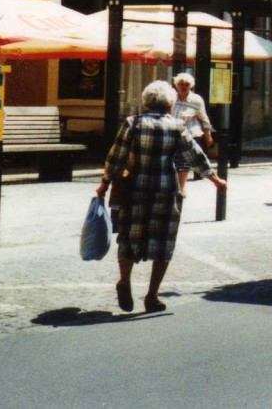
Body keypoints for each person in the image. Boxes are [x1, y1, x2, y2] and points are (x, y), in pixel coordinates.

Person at [96, 80, 226, 313]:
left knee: (129, 235)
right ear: (169, 103)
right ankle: (152, 296)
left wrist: (104, 184)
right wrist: (215, 180)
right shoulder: (176, 126)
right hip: (166, 191)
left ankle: (124, 280)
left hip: (135, 189)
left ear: (146, 102)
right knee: (164, 240)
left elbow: (116, 157)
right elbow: (195, 155)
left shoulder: (132, 123)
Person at [172, 72, 212, 188]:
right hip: (173, 134)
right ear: (176, 85)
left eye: (187, 84)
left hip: (189, 135)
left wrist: (208, 135)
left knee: (184, 163)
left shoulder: (196, 100)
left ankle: (181, 189)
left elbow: (204, 119)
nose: (184, 87)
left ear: (191, 86)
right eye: (181, 84)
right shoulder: (171, 98)